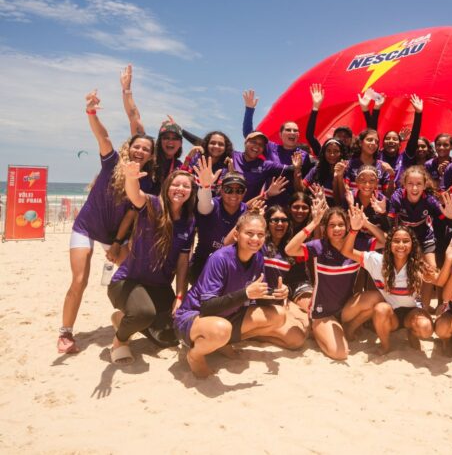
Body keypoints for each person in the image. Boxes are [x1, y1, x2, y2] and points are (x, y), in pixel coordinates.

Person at [58, 90, 155, 354]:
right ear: (130, 147)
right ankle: (65, 332)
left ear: (150, 156)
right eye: (137, 146)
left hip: (114, 235)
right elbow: (102, 135)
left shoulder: (145, 180)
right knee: (80, 279)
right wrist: (91, 112)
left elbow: (131, 215)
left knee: (135, 275)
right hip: (86, 228)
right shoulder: (112, 161)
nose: (140, 151)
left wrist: (115, 243)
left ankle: (133, 319)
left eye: (146, 149)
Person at [173, 212, 289, 378]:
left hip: (227, 314)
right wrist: (246, 294)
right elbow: (208, 306)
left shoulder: (257, 258)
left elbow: (255, 293)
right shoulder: (220, 258)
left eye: (260, 234)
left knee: (279, 316)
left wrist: (278, 293)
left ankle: (221, 342)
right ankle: (195, 355)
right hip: (193, 317)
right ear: (236, 235)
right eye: (249, 233)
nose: (255, 239)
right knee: (222, 329)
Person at [107, 163, 197, 364]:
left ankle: (121, 320)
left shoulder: (189, 221)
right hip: (128, 282)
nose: (180, 189)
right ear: (167, 186)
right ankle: (119, 341)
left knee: (170, 338)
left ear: (191, 193)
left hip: (159, 287)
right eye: (176, 184)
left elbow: (183, 263)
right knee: (143, 314)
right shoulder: (153, 205)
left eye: (186, 186)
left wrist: (180, 296)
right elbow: (136, 195)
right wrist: (131, 178)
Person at [284, 203, 385, 360]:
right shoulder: (319, 246)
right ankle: (317, 329)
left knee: (378, 298)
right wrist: (313, 223)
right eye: (332, 225)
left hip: (346, 308)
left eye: (341, 225)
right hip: (322, 312)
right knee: (340, 353)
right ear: (325, 228)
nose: (337, 229)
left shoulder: (356, 244)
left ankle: (348, 328)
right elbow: (289, 250)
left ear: (347, 226)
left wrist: (365, 223)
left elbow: (385, 241)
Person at [342, 217, 434, 355]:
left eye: (406, 241)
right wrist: (354, 230)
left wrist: (451, 261)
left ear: (412, 245)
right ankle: (385, 346)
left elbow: (438, 281)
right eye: (396, 241)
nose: (401, 245)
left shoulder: (417, 264)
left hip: (412, 312)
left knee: (426, 329)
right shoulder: (377, 261)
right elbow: (347, 251)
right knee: (380, 308)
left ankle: (412, 333)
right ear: (389, 244)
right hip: (391, 313)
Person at [387, 165, 452, 311]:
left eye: (419, 184)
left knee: (431, 270)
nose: (414, 188)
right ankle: (399, 305)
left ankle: (424, 308)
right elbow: (390, 221)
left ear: (425, 185)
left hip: (425, 236)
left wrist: (450, 216)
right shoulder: (397, 196)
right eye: (410, 183)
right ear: (404, 184)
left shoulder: (430, 200)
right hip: (404, 237)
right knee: (402, 270)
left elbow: (443, 218)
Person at [242, 90, 313, 205]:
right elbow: (249, 134)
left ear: (298, 135)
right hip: (268, 204)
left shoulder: (303, 156)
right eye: (288, 130)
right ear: (280, 135)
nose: (292, 132)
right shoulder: (270, 148)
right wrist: (249, 109)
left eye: (295, 131)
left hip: (292, 208)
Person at [188, 160, 248, 286]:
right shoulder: (213, 205)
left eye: (239, 190)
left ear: (245, 192)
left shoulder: (247, 211)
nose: (234, 194)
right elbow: (204, 204)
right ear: (221, 190)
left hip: (231, 266)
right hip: (203, 264)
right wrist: (205, 187)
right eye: (228, 189)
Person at [262, 205, 313, 325]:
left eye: (284, 220)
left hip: (290, 290)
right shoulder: (259, 243)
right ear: (267, 223)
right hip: (266, 294)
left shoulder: (292, 245)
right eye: (275, 220)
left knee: (309, 317)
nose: (280, 223)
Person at [304, 84, 355, 154]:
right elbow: (309, 136)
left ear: (351, 140)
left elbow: (371, 133)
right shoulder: (324, 154)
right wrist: (315, 107)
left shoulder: (358, 156)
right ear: (333, 138)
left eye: (346, 136)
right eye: (339, 136)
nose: (342, 139)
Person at [303, 138, 346, 206]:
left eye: (336, 151)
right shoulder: (316, 169)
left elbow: (341, 202)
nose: (332, 154)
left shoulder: (346, 172)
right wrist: (297, 170)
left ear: (341, 153)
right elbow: (301, 189)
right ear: (324, 152)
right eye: (328, 151)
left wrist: (338, 177)